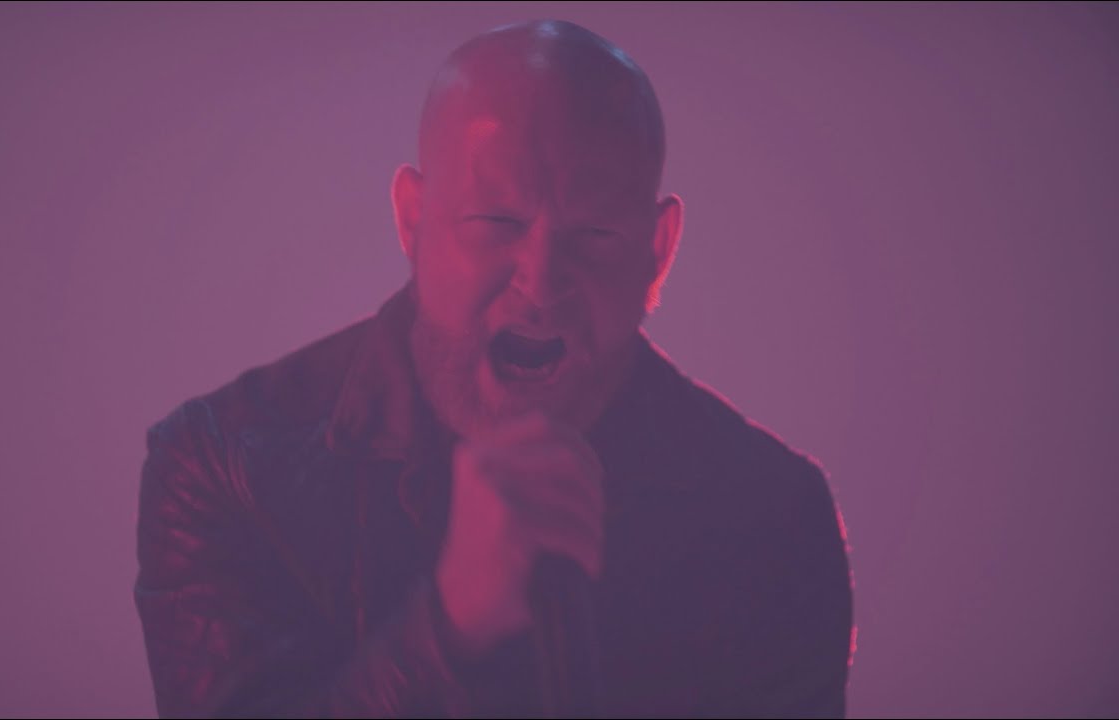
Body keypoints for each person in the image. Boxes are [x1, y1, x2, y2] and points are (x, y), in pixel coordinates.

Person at [134, 19, 854, 719]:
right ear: (413, 220)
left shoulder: (773, 517)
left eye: (594, 233)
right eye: (496, 222)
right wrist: (447, 629)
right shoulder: (222, 464)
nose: (541, 283)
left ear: (658, 250)